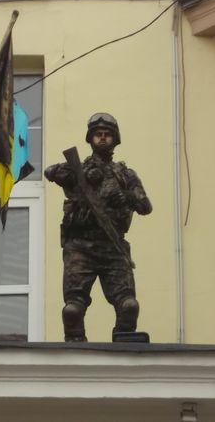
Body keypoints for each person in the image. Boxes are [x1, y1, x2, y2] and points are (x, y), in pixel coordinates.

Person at [44, 113, 152, 342]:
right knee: (72, 311)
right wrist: (80, 175)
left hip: (113, 247)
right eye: (98, 135)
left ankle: (124, 346)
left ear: (115, 139)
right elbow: (50, 171)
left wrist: (124, 196)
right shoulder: (79, 169)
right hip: (81, 248)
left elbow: (145, 206)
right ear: (90, 139)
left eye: (107, 135)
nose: (102, 139)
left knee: (129, 306)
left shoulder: (125, 175)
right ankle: (75, 348)